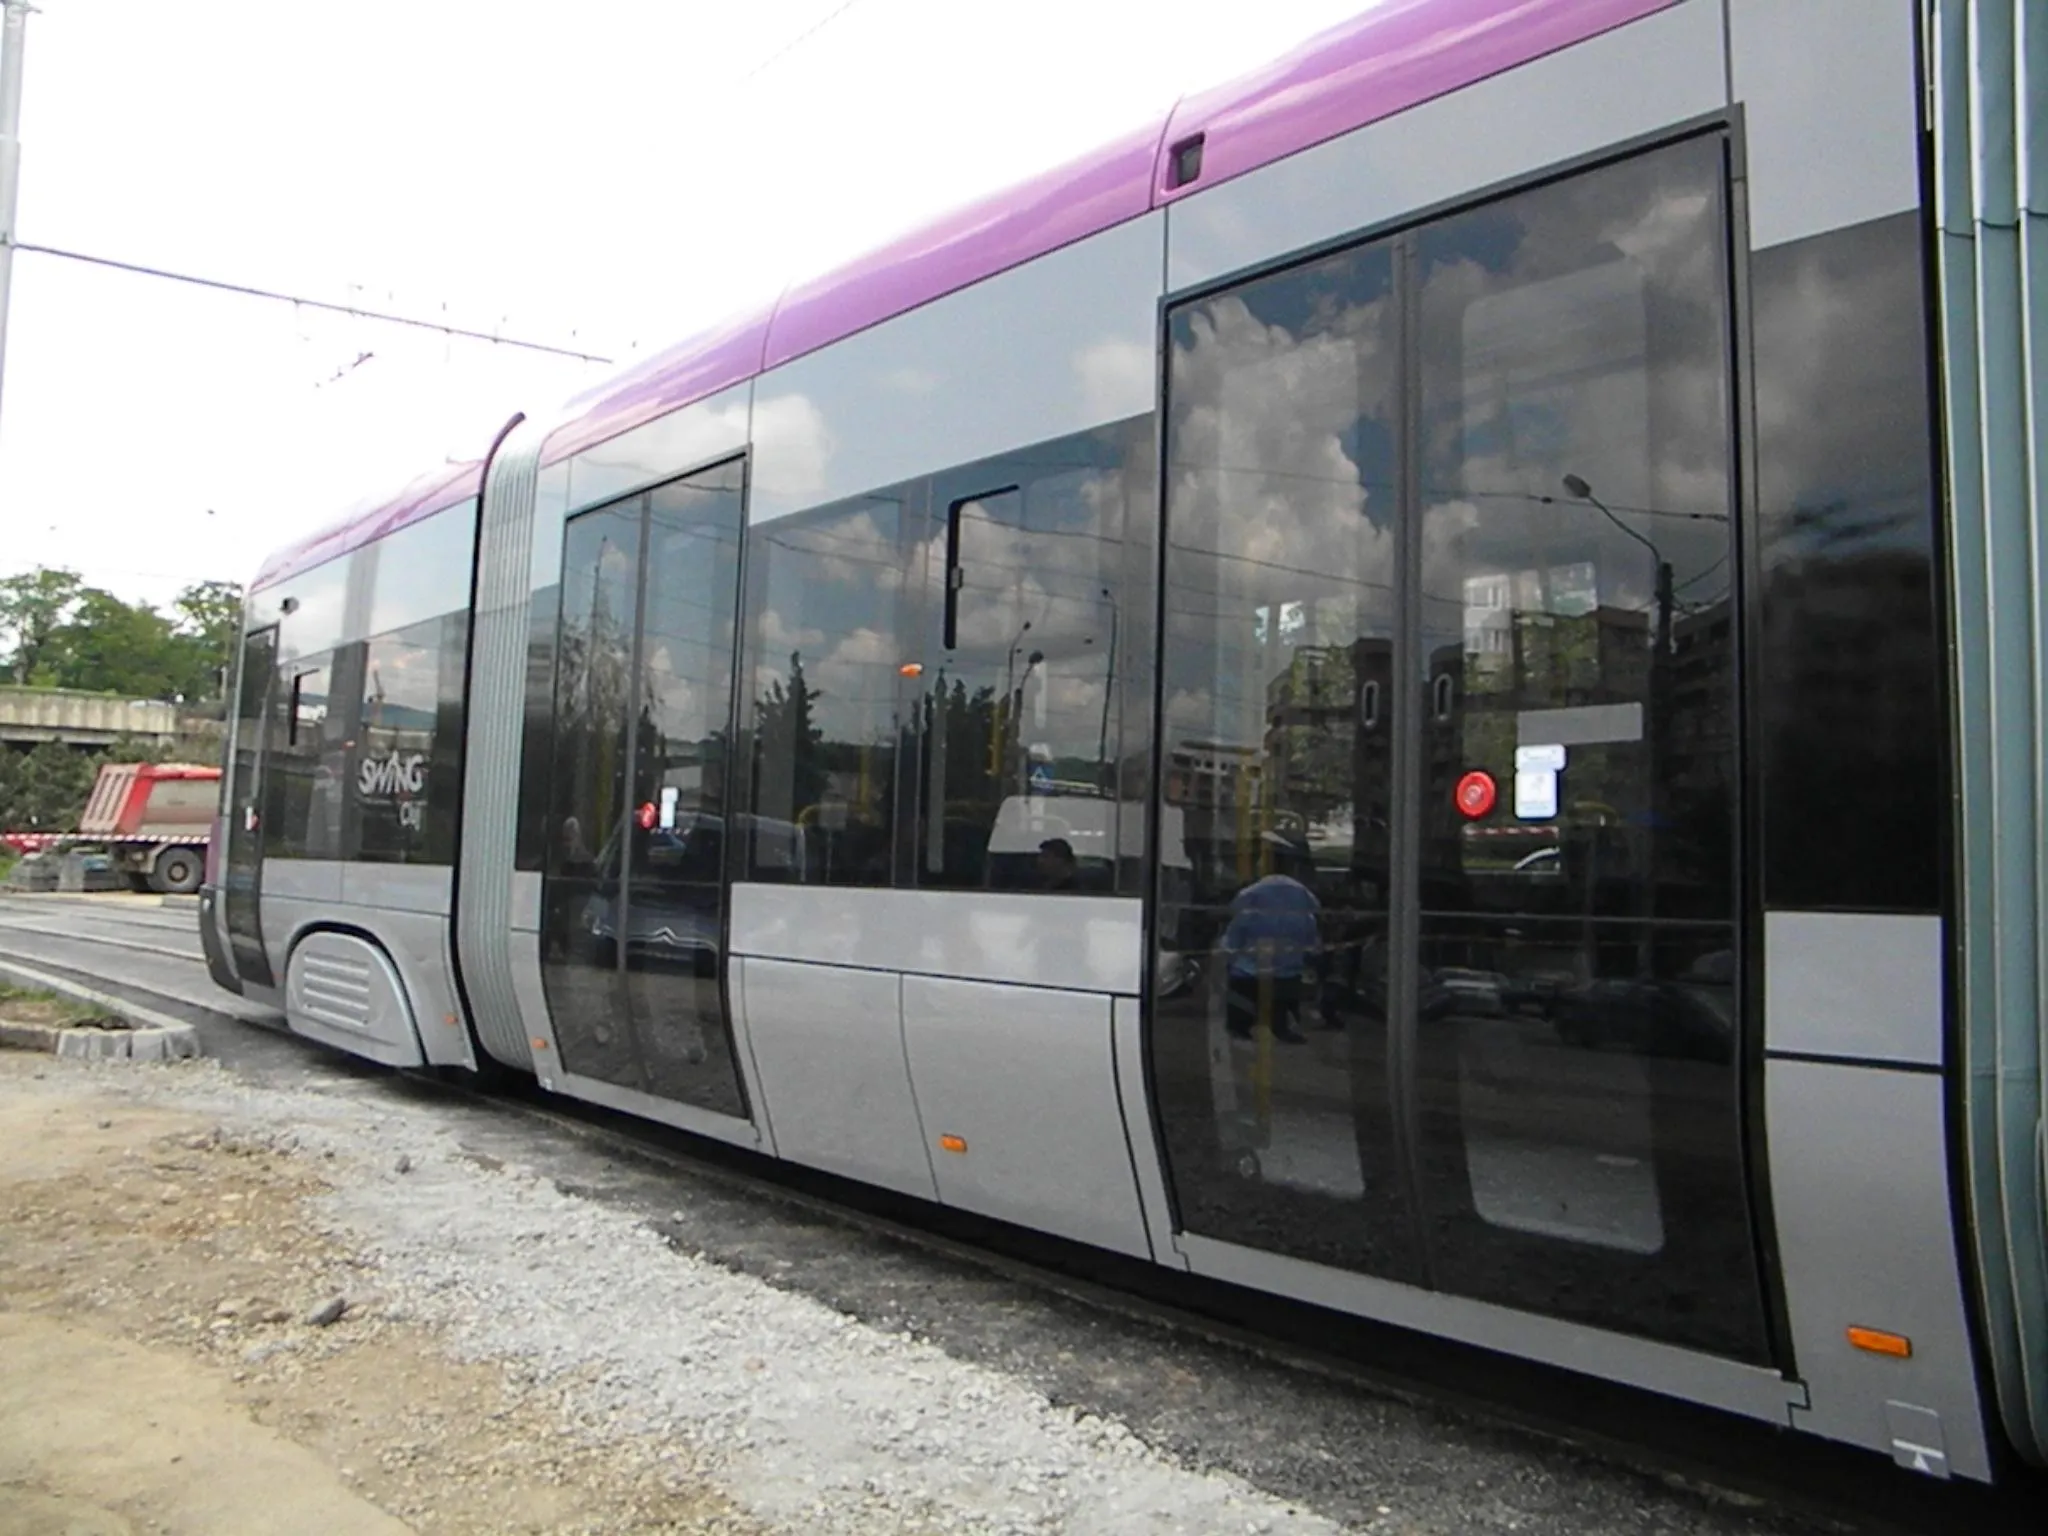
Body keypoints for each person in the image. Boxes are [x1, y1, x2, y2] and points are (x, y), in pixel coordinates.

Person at [1219, 833, 1321, 1044]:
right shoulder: (1302, 894)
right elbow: (1312, 927)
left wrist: (1229, 951)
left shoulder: (1252, 893)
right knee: (1283, 998)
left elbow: (1237, 919)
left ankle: (1240, 1026)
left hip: (1249, 967)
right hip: (1287, 968)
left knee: (1241, 995)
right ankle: (1282, 1024)